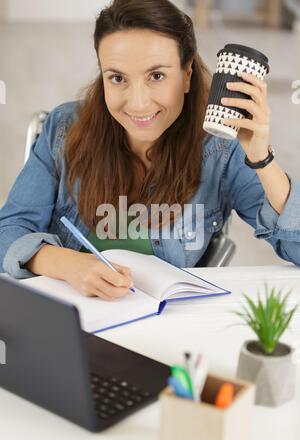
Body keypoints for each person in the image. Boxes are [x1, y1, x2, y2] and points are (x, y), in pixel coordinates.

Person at [0, 0, 299, 301]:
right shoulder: (64, 128)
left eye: (156, 76)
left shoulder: (221, 149)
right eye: (117, 78)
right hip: (67, 315)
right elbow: (9, 231)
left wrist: (263, 159)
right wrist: (68, 264)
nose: (138, 103)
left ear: (186, 74)